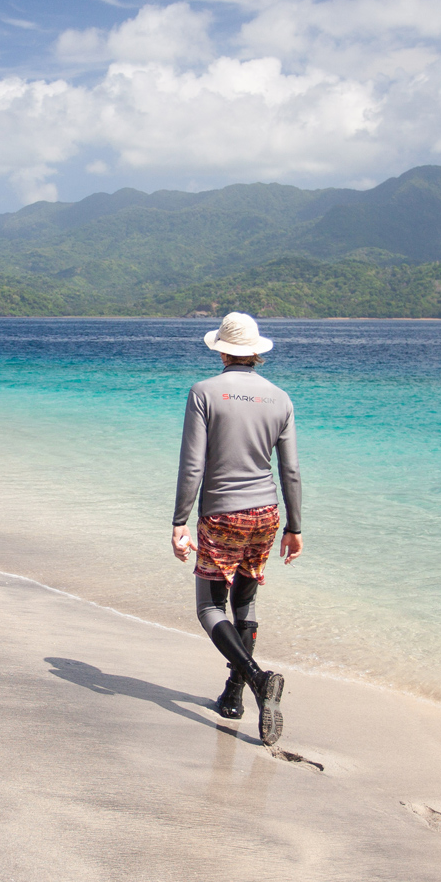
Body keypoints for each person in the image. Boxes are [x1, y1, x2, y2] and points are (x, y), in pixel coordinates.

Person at [170, 311, 303, 745]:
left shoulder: (204, 392)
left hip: (222, 515)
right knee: (245, 602)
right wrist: (295, 526)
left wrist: (179, 521)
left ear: (223, 350)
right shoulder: (280, 398)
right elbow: (291, 470)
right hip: (266, 513)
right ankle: (233, 696)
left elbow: (193, 465)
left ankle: (256, 680)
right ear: (255, 352)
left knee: (210, 609)